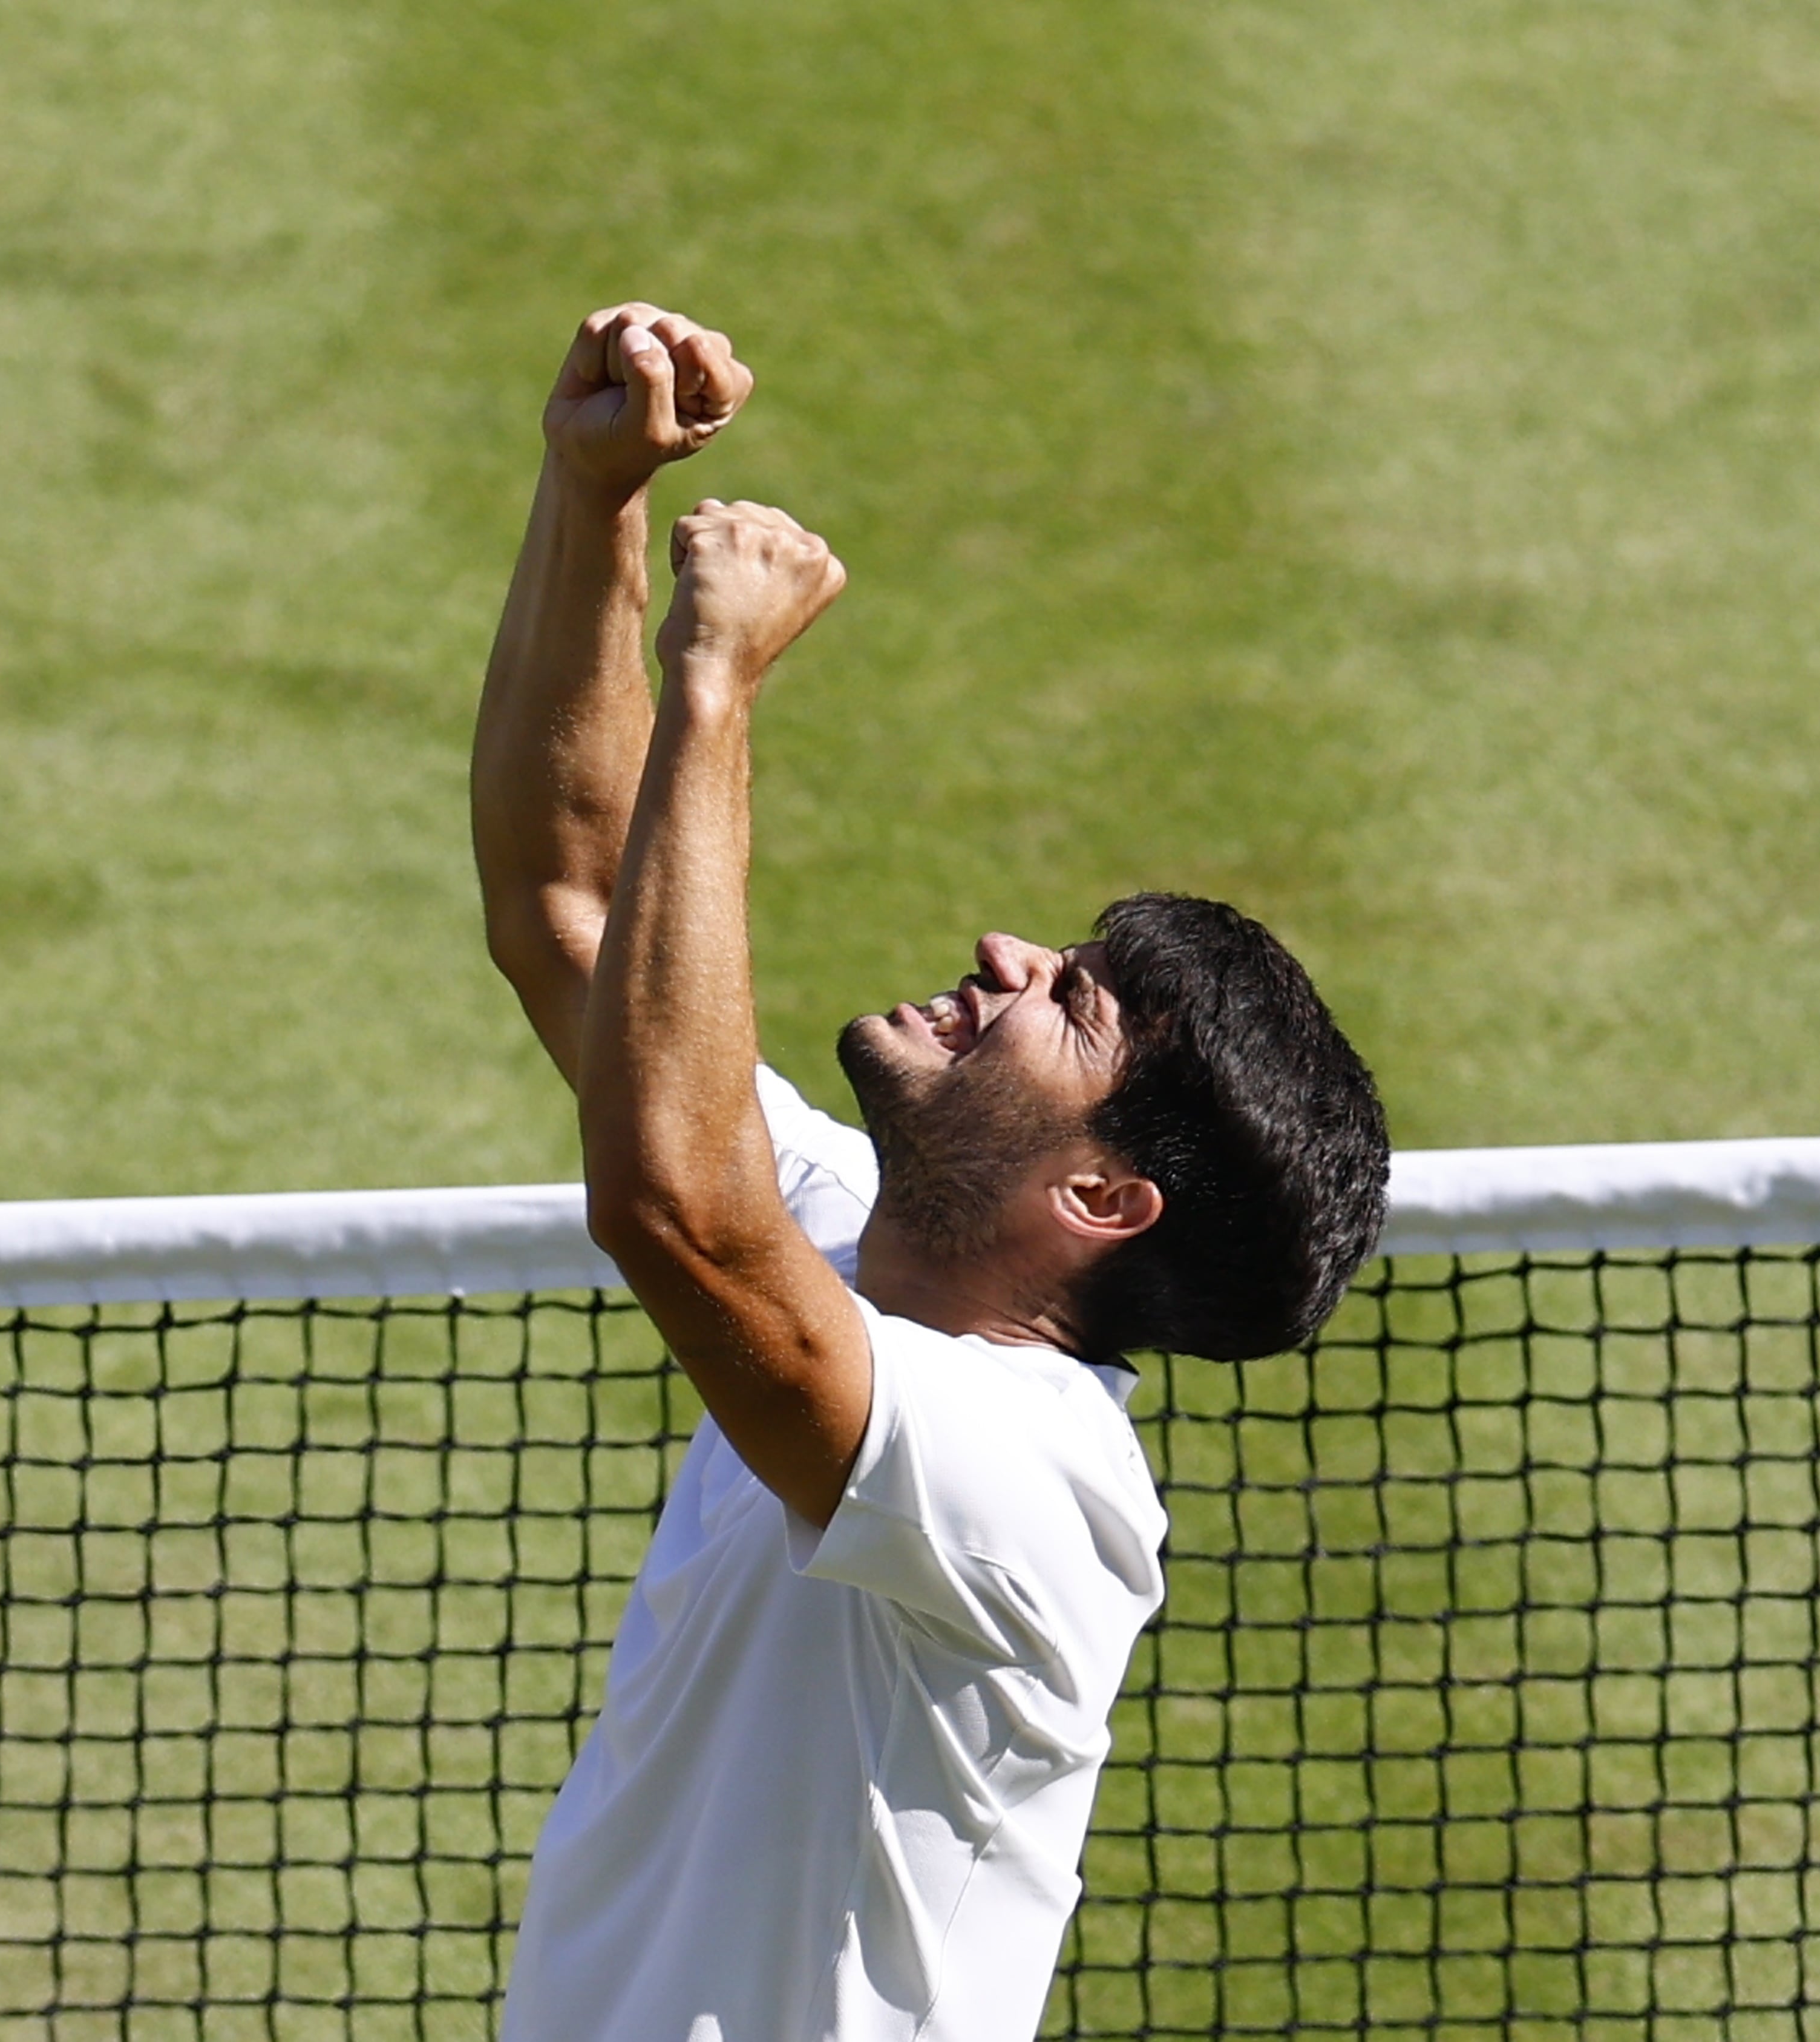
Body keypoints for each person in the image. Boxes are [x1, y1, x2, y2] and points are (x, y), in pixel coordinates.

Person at [473, 302, 1390, 2042]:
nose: (1003, 950)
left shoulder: (1036, 1481)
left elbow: (674, 1205)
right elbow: (568, 914)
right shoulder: (844, 1237)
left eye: (1075, 999)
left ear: (1107, 1200)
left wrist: (721, 686)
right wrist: (587, 498)